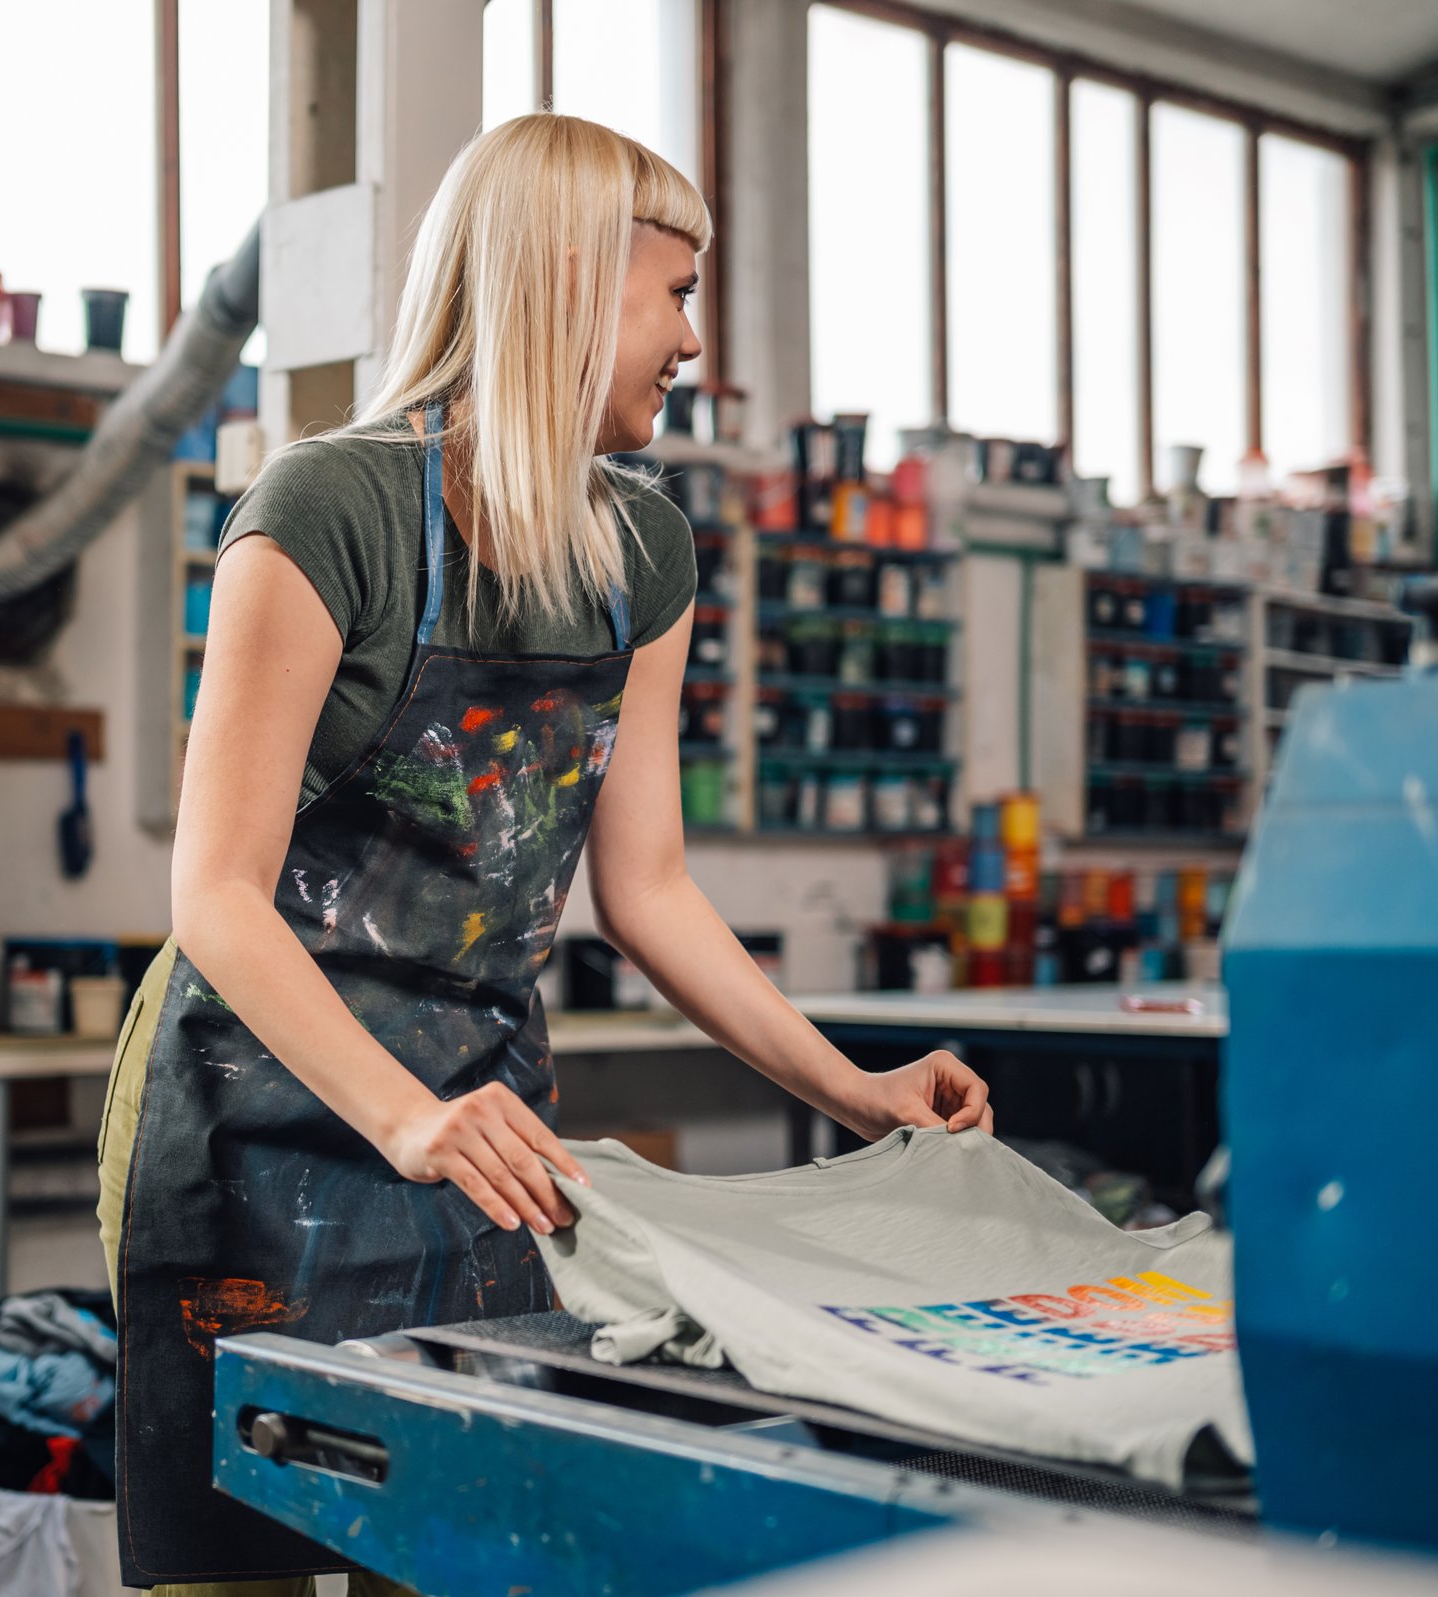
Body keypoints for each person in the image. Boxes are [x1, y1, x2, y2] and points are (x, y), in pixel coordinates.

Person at [96, 113, 994, 1593]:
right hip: (257, 1126)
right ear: (571, 282)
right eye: (679, 290)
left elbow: (647, 888)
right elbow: (216, 895)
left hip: (487, 1147)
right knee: (242, 1559)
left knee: (455, 1549)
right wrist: (404, 1116)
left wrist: (859, 1088)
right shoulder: (331, 511)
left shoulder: (642, 552)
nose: (694, 339)